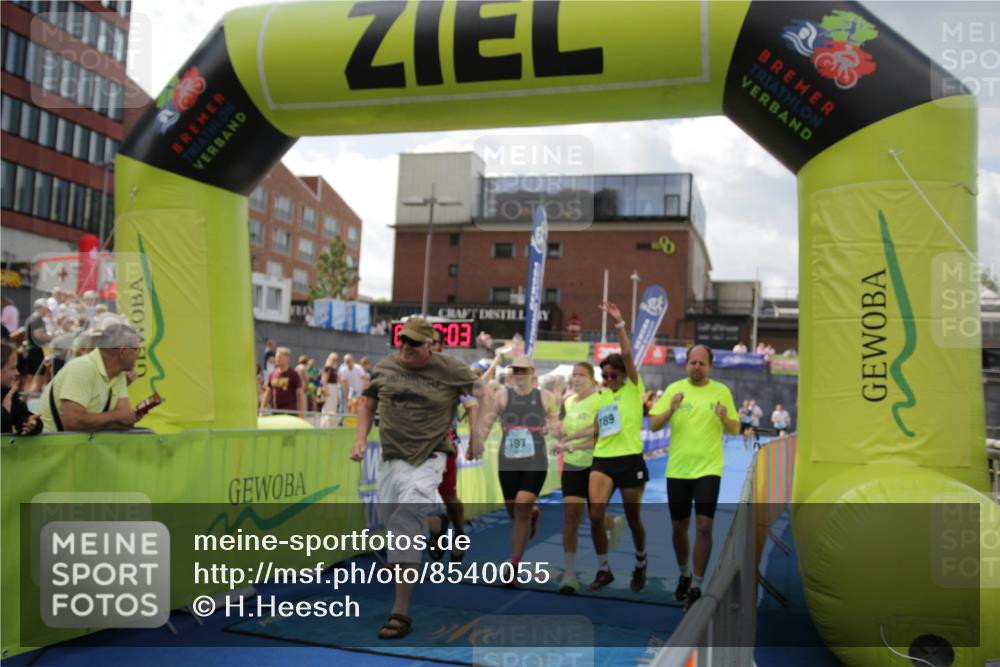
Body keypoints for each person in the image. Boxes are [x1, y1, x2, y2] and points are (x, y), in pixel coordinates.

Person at [350, 317, 481, 640]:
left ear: (429, 346)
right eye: (403, 341)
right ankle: (437, 525)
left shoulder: (451, 369)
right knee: (394, 525)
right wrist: (361, 438)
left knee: (405, 523)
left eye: (413, 343)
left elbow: (481, 394)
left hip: (431, 454)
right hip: (391, 457)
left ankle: (400, 612)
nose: (406, 347)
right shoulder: (386, 367)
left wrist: (477, 434)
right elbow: (368, 401)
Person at [648, 344, 739, 610]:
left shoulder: (722, 391)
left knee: (704, 526)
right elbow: (653, 424)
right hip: (678, 469)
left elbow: (735, 429)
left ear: (710, 366)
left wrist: (725, 418)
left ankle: (697, 584)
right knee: (679, 528)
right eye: (692, 362)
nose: (697, 367)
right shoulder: (674, 389)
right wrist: (671, 409)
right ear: (686, 364)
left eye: (702, 363)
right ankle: (684, 573)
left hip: (709, 469)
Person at [479, 354, 560, 582]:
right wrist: (478, 444)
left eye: (524, 371)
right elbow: (488, 420)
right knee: (514, 510)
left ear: (532, 373)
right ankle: (533, 514)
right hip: (508, 460)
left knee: (522, 505)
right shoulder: (502, 395)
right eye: (516, 371)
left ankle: (513, 567)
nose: (520, 375)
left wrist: (551, 430)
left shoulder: (545, 397)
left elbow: (554, 420)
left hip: (535, 459)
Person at [588, 302, 649, 592]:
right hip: (603, 460)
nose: (608, 379)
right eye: (604, 375)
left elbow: (626, 353)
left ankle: (640, 561)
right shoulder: (601, 398)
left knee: (633, 516)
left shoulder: (634, 388)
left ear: (623, 374)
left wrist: (619, 323)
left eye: (613, 374)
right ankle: (603, 569)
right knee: (596, 515)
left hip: (630, 460)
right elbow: (597, 431)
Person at [551, 361, 616, 593]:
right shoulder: (568, 402)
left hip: (597, 464)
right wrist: (559, 436)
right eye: (574, 375)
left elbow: (601, 434)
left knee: (596, 517)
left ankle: (610, 530)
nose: (576, 379)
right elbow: (564, 430)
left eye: (581, 375)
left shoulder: (602, 399)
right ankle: (569, 574)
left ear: (592, 378)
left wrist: (572, 444)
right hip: (573, 465)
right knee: (571, 516)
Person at [37, 323, 141, 433]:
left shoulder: (118, 374)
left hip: (75, 447)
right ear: (122, 351)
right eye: (136, 350)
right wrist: (116, 416)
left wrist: (123, 418)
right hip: (51, 447)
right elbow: (72, 423)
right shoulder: (82, 368)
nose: (138, 355)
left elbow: (123, 421)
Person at [2, 341, 41, 435]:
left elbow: (21, 415)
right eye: (12, 368)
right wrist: (4, 412)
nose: (17, 373)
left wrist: (30, 423)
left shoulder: (9, 393)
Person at [261, 347, 305, 418]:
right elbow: (268, 392)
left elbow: (300, 394)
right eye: (276, 356)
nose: (277, 358)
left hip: (290, 413)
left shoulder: (293, 374)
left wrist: (302, 412)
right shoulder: (273, 373)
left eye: (280, 356)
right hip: (276, 412)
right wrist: (262, 409)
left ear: (287, 358)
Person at [319, 353, 342, 428]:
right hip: (329, 388)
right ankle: (325, 425)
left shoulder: (334, 369)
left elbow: (338, 380)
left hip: (334, 388)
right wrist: (326, 391)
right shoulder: (327, 368)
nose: (335, 361)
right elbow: (324, 380)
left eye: (336, 359)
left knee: (333, 407)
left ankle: (331, 424)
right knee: (327, 407)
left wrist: (338, 393)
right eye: (334, 359)